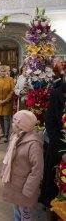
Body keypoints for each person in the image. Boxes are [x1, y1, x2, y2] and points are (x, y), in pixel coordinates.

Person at [2, 110, 43, 221]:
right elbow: (8, 157)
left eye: (15, 122)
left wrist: (29, 189)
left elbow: (37, 169)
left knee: (25, 213)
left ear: (22, 126)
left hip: (24, 187)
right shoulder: (15, 137)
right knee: (16, 209)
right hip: (15, 183)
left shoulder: (33, 144)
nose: (12, 124)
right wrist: (4, 171)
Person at [39, 81, 66, 219]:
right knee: (54, 189)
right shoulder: (57, 93)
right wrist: (63, 151)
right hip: (58, 146)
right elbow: (50, 122)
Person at [0, 65, 15, 142]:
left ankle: (6, 135)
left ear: (7, 72)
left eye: (4, 71)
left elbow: (12, 90)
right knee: (0, 118)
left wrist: (6, 100)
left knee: (6, 118)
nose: (2, 73)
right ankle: (4, 132)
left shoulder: (10, 79)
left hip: (7, 103)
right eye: (1, 71)